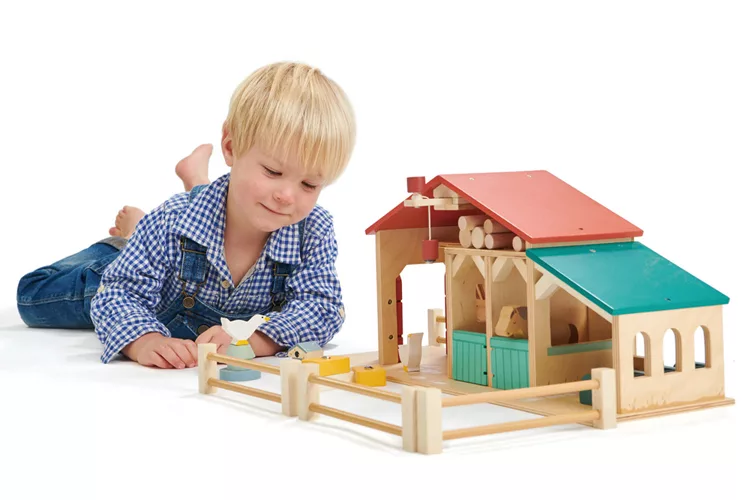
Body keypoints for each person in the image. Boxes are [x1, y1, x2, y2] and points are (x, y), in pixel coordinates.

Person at [16, 61, 356, 370]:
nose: (287, 196)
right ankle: (128, 242)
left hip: (200, 223)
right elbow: (118, 293)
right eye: (272, 171)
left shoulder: (312, 229)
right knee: (32, 296)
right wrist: (143, 340)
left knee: (219, 206)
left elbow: (322, 307)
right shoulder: (172, 220)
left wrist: (257, 340)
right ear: (231, 147)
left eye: (309, 184)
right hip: (139, 275)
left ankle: (194, 185)